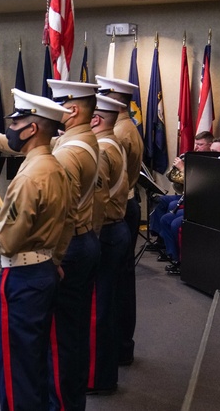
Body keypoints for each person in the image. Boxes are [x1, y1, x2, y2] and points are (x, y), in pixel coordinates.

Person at [0, 89, 71, 411]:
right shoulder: (55, 167)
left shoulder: (28, 177)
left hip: (24, 280)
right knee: (35, 365)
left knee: (17, 371)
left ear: (32, 129)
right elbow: (66, 225)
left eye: (18, 121)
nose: (12, 127)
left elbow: (6, 241)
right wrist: (53, 260)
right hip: (43, 270)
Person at [44, 79, 102, 410]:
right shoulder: (83, 140)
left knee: (62, 339)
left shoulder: (68, 153)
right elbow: (36, 144)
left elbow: (62, 214)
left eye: (58, 106)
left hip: (70, 248)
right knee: (74, 333)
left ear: (73, 109)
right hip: (86, 241)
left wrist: (53, 260)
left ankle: (64, 405)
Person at [95, 75, 144, 366]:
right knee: (120, 284)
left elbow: (107, 184)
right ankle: (122, 347)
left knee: (114, 289)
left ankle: (118, 348)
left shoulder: (119, 134)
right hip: (126, 204)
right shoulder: (126, 127)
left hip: (118, 209)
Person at [87, 94, 131, 394]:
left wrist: (91, 238)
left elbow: (97, 201)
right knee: (111, 303)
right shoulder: (113, 139)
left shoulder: (101, 149)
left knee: (98, 311)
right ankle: (108, 371)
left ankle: (100, 379)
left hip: (105, 232)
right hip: (117, 228)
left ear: (95, 119)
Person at [148, 130, 213, 257]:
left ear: (210, 145)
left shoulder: (210, 161)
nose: (196, 147)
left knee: (173, 205)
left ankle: (170, 248)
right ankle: (161, 239)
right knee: (161, 200)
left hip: (195, 198)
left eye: (200, 144)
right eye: (196, 143)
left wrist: (183, 168)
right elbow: (177, 179)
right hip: (185, 193)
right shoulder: (195, 157)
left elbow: (196, 183)